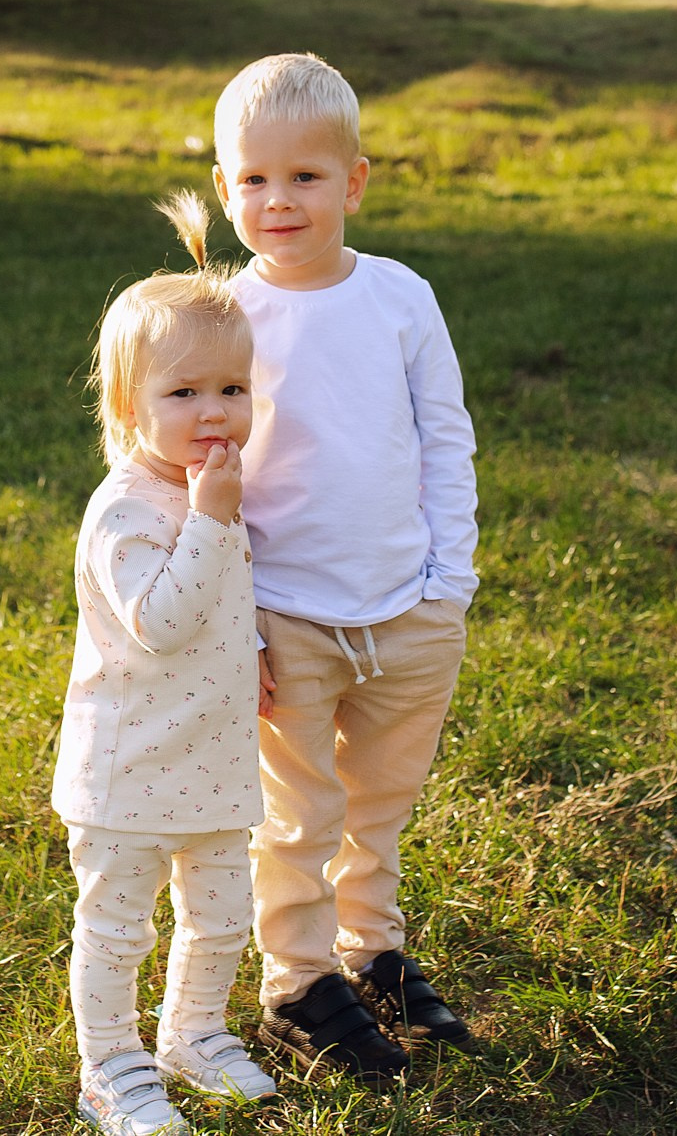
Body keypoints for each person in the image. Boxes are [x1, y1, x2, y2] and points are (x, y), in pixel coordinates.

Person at [212, 52, 480, 1083]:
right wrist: (237, 616)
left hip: (407, 603)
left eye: (305, 176)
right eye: (251, 178)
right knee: (299, 808)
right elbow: (194, 467)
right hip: (285, 612)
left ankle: (372, 948)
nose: (276, 199)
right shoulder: (226, 314)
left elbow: (444, 436)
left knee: (379, 798)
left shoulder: (401, 297)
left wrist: (446, 582)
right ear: (226, 184)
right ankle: (295, 977)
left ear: (354, 180)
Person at [53, 191, 283, 1136]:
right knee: (117, 929)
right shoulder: (129, 510)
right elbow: (163, 619)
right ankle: (110, 1066)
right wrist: (212, 515)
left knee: (224, 913)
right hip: (129, 770)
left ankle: (193, 1031)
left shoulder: (208, 489)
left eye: (231, 389)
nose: (212, 411)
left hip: (216, 758)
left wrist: (259, 650)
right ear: (127, 405)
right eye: (182, 393)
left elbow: (231, 596)